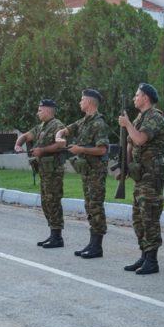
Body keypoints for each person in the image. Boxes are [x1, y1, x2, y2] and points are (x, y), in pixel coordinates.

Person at [55, 89, 110, 259]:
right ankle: (92, 243)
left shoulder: (98, 123)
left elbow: (102, 149)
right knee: (89, 206)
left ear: (89, 102)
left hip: (95, 172)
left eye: (82, 99)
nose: (79, 102)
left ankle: (97, 246)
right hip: (86, 172)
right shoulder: (84, 121)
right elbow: (66, 130)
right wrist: (59, 135)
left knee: (96, 207)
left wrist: (81, 149)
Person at [119, 83, 164, 275]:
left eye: (137, 95)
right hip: (140, 175)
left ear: (145, 98)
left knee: (149, 217)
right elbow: (131, 144)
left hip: (151, 175)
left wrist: (127, 124)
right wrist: (125, 167)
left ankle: (152, 260)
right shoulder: (140, 117)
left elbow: (139, 139)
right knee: (138, 218)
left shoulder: (155, 117)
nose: (134, 98)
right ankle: (144, 254)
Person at [14, 99, 66, 248]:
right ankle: (52, 234)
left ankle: (57, 237)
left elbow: (61, 144)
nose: (38, 113)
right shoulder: (41, 127)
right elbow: (26, 135)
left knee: (53, 201)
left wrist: (42, 150)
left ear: (48, 110)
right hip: (44, 171)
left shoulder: (58, 126)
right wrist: (18, 144)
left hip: (54, 171)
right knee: (46, 203)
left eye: (40, 110)